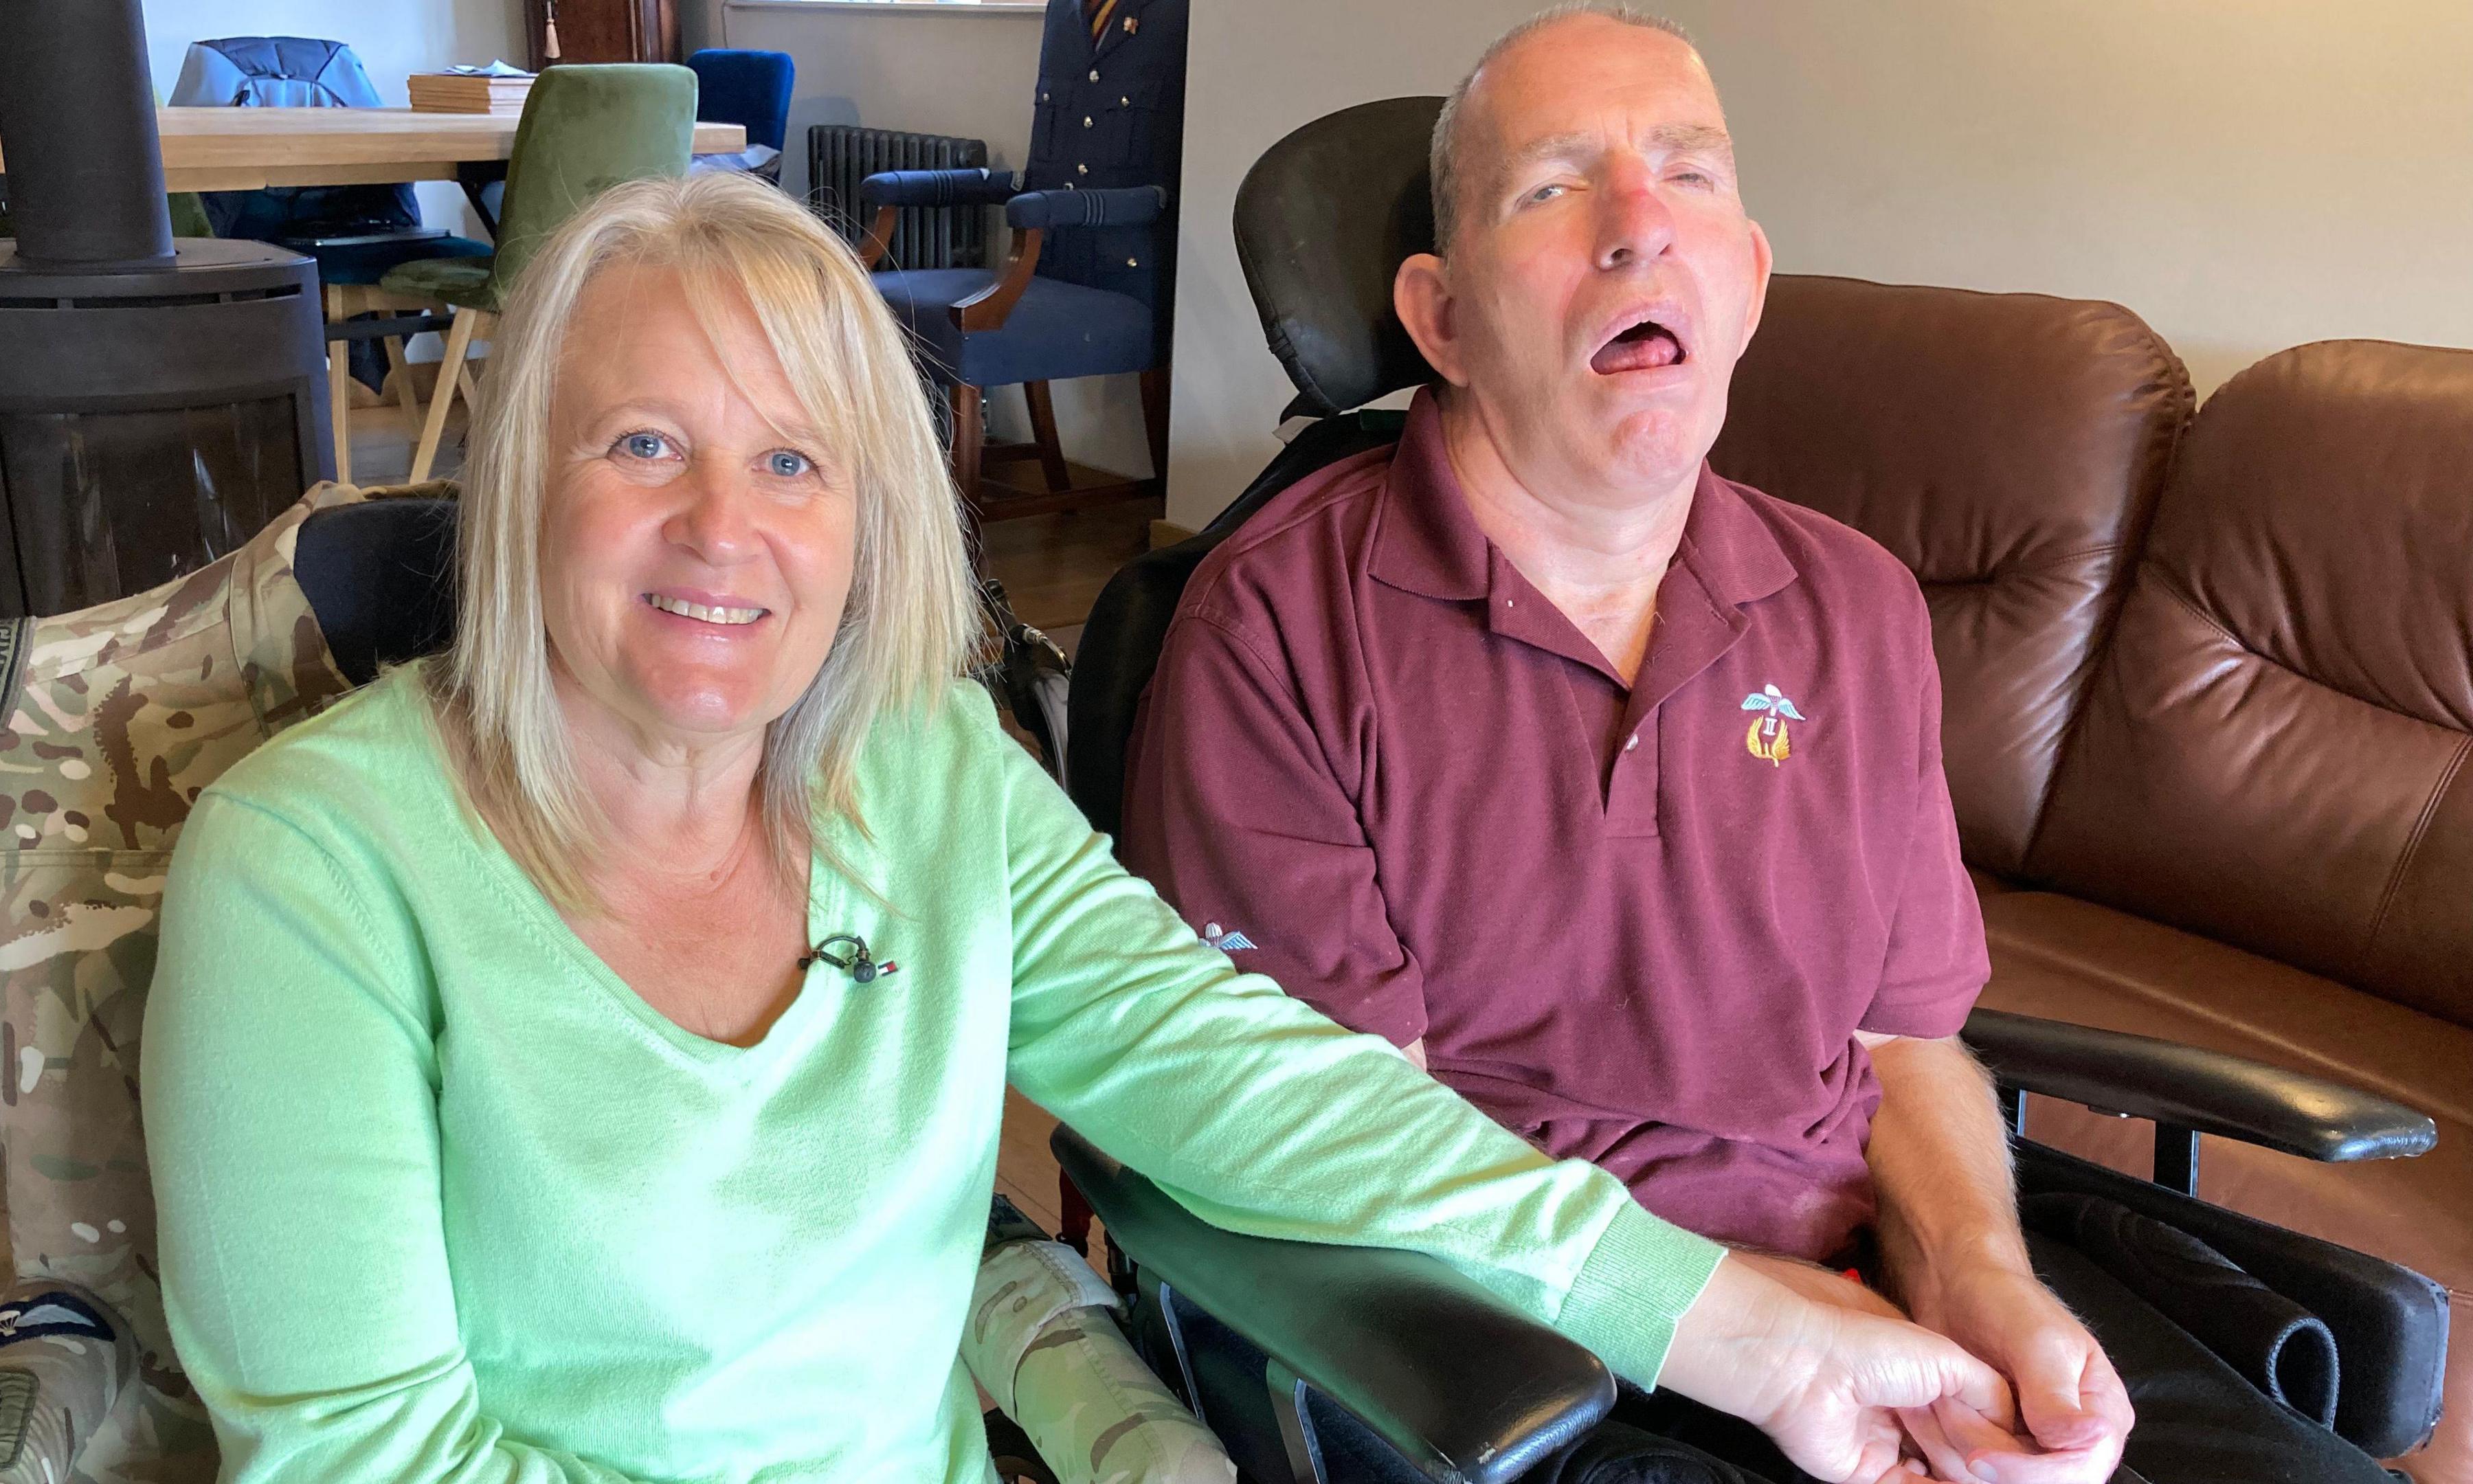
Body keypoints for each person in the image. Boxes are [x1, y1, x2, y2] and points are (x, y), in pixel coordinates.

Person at [142, 170, 2011, 1484]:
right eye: (642, 445)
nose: (727, 529)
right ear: (518, 481)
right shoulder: (315, 870)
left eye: (796, 461)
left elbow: (1251, 1080)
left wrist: (1736, 1337)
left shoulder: (926, 766)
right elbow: (365, 1455)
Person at [1120, 7, 2402, 1484]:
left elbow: (1902, 1041)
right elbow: (1353, 1151)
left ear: (1749, 284)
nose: (1638, 231)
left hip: (1867, 1287)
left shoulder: (1855, 605)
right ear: (1441, 317)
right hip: (1519, 1361)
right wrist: (1755, 1325)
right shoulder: (1277, 623)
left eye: (1692, 179)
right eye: (1552, 187)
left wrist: (1980, 1274)